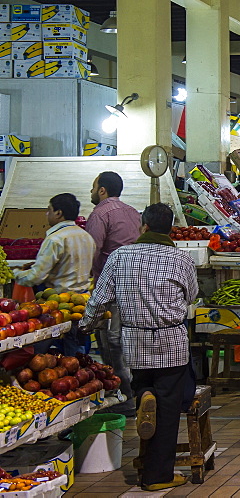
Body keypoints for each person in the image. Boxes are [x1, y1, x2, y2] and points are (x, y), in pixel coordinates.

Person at [79, 203, 197, 492]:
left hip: (135, 343)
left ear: (143, 226)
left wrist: (86, 325)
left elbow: (99, 299)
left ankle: (144, 394)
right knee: (169, 408)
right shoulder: (181, 259)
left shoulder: (120, 256)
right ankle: (157, 475)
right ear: (169, 228)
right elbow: (192, 296)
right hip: (171, 343)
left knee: (145, 383)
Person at [87, 171, 142, 416]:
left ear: (102, 190)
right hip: (137, 288)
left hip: (112, 289)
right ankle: (137, 397)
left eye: (93, 188)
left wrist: (90, 281)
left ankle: (124, 401)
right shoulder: (133, 213)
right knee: (128, 343)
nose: (91, 192)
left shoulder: (100, 213)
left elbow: (93, 251)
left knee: (112, 344)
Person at [16, 194, 96, 358]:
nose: (47, 214)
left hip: (58, 306)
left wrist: (16, 273)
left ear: (58, 213)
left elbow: (35, 277)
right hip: (82, 305)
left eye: (49, 210)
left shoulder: (55, 239)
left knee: (38, 354)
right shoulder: (87, 237)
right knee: (77, 355)